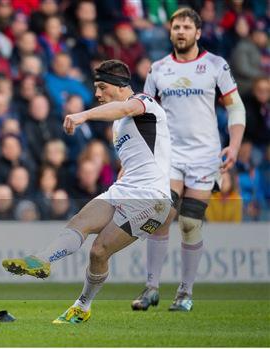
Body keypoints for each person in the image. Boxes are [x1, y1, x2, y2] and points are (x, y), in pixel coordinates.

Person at [2, 59, 172, 324]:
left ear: (120, 86)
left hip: (152, 199)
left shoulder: (144, 102)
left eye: (102, 87)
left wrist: (83, 114)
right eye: (96, 88)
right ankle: (41, 260)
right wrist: (122, 177)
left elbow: (125, 107)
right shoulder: (118, 125)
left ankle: (83, 306)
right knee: (79, 222)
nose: (97, 94)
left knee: (98, 251)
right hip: (123, 190)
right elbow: (134, 161)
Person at [132, 8, 245, 312]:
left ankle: (185, 293)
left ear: (197, 33)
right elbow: (145, 115)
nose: (180, 31)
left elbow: (236, 108)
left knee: (190, 224)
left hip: (206, 157)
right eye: (176, 27)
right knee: (160, 214)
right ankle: (151, 287)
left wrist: (233, 146)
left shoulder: (215, 65)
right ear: (170, 33)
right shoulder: (157, 69)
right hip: (170, 154)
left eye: (186, 27)